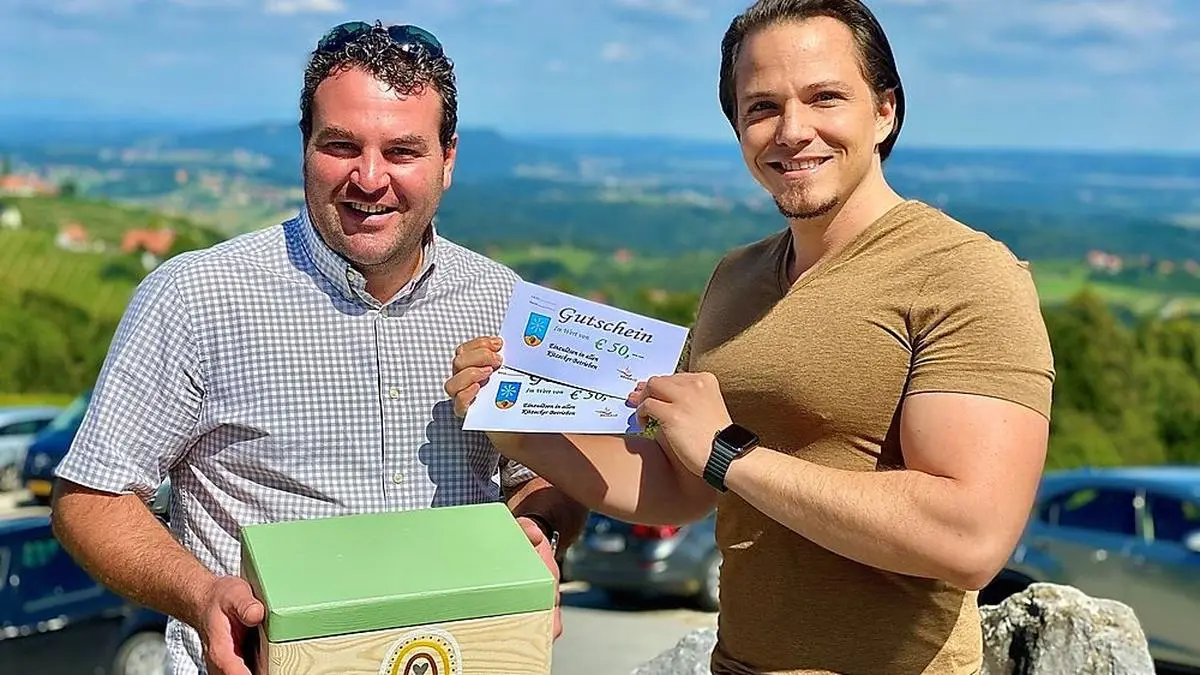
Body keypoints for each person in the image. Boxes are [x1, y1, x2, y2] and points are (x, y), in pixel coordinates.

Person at [445, 1, 1055, 673]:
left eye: (825, 97)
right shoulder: (735, 277)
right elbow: (682, 486)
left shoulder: (966, 274)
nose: (792, 131)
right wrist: (520, 430)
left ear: (885, 110)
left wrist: (730, 454)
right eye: (762, 107)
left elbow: (969, 538)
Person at [49, 20, 587, 675]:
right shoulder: (195, 297)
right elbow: (90, 499)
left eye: (402, 151)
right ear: (304, 146)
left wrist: (541, 531)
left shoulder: (503, 302)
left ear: (447, 160)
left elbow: (545, 480)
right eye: (341, 145)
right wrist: (201, 595)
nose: (369, 177)